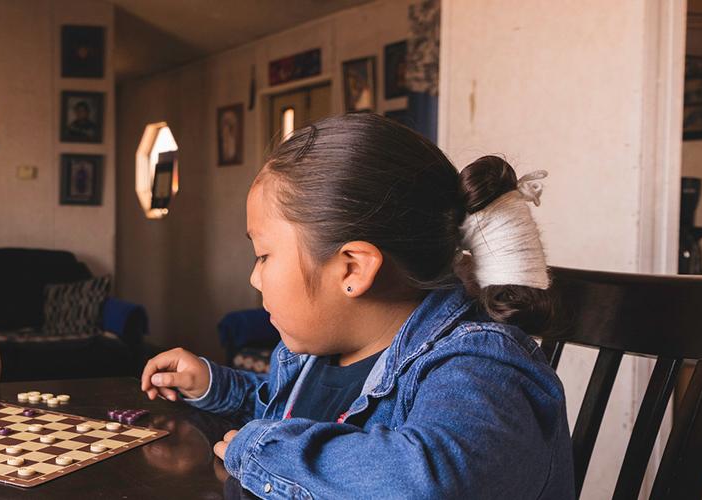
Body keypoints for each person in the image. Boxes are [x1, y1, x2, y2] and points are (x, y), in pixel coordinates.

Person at [140, 113, 573, 498]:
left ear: (352, 269)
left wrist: (255, 450)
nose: (254, 277)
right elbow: (288, 416)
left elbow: (427, 483)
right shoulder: (315, 353)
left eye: (264, 255)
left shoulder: (481, 364)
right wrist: (215, 385)